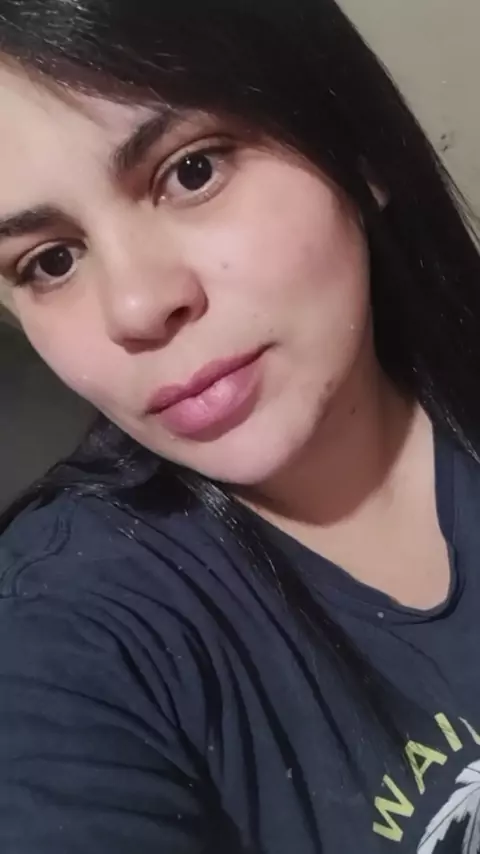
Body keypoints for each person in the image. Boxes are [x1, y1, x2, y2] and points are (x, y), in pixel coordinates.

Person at [0, 0, 480, 851]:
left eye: (191, 171)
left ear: (354, 142)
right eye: (52, 261)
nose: (136, 306)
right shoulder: (66, 636)